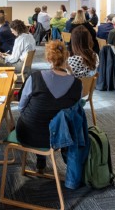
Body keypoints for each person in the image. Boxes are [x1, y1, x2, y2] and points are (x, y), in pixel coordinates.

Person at [16, 40, 82, 171]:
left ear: (48, 59)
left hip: (29, 134)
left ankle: (40, 159)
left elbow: (21, 106)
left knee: (35, 117)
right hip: (60, 137)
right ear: (67, 56)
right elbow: (74, 109)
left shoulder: (35, 78)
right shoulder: (77, 84)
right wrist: (70, 72)